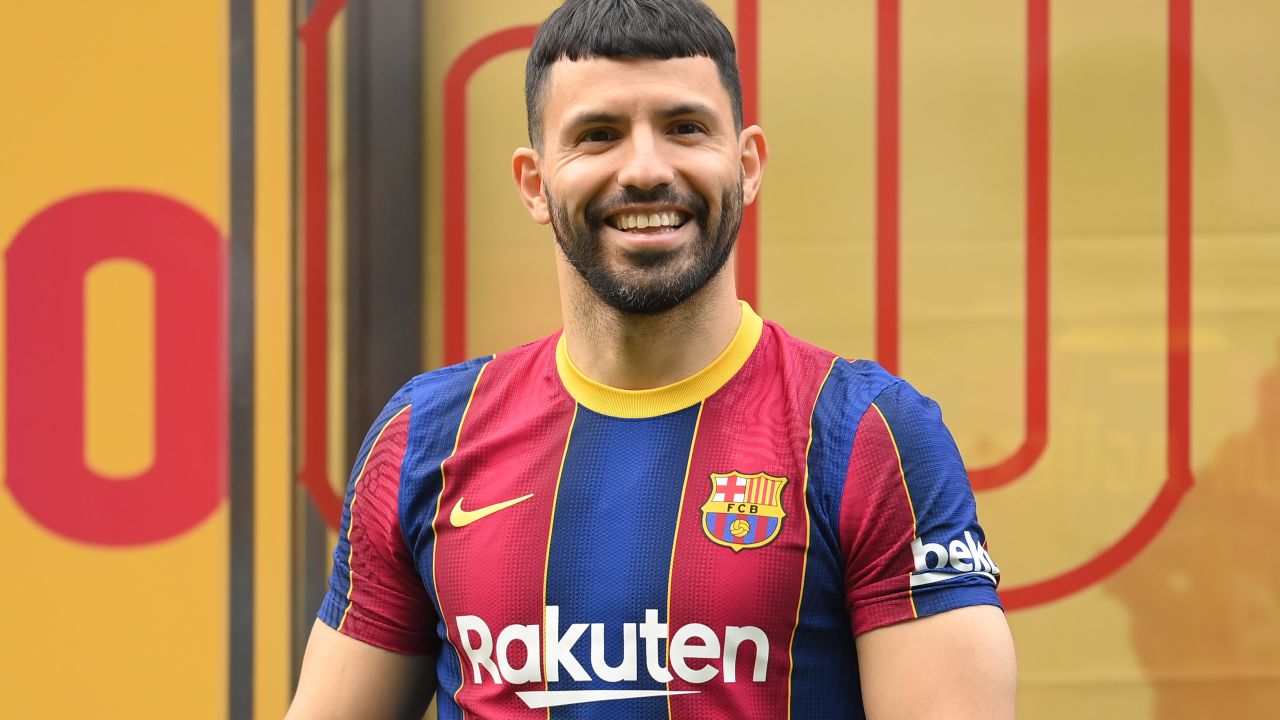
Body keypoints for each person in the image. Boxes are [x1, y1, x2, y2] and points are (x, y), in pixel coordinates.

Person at [286, 0, 1016, 717]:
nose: (644, 169)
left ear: (748, 164)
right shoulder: (425, 438)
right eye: (599, 135)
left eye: (684, 128)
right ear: (535, 184)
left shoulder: (868, 437)